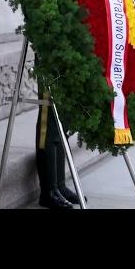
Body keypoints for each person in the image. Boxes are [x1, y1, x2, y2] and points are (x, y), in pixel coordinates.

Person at [35, 67, 86, 209]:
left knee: (62, 125)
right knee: (49, 124)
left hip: (68, 54)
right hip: (48, 56)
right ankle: (48, 191)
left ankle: (59, 185)